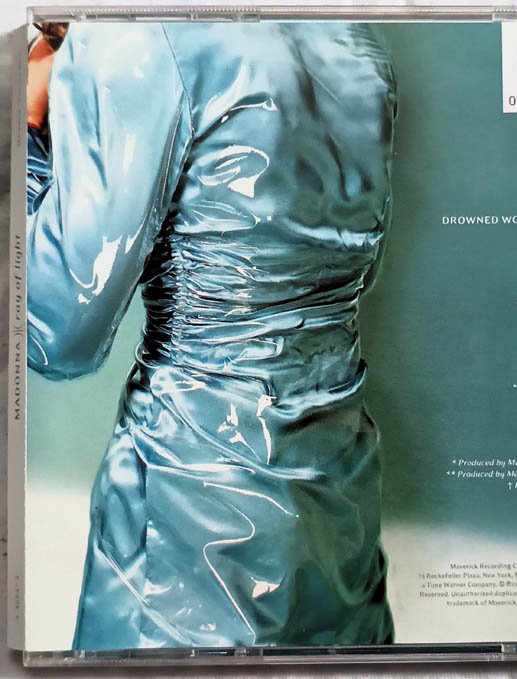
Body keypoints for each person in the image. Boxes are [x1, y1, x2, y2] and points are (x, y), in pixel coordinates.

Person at [26, 20, 397, 650]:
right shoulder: (358, 42)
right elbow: (343, 278)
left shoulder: (135, 35)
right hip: (339, 515)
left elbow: (53, 331)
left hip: (193, 523)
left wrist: (27, 135)